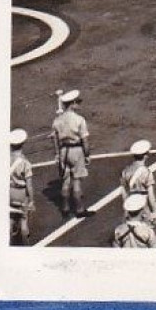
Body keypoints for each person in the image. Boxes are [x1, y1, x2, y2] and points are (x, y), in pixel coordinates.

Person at [51, 88, 89, 218]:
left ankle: (65, 208)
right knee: (76, 181)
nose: (79, 104)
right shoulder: (79, 119)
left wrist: (57, 154)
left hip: (63, 151)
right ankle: (79, 209)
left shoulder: (57, 120)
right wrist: (87, 154)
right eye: (77, 102)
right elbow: (85, 140)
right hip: (76, 150)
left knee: (66, 181)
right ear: (72, 103)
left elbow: (55, 140)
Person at [120, 139, 156, 226]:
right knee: (146, 230)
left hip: (131, 204)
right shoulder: (146, 172)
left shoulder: (125, 171)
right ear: (146, 155)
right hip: (144, 205)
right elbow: (151, 194)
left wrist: (126, 209)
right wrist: (154, 211)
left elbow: (124, 192)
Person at [8, 128, 34, 245]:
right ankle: (25, 245)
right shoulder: (25, 163)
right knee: (24, 220)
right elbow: (29, 185)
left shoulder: (6, 159)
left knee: (11, 219)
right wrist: (32, 200)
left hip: (9, 192)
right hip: (21, 193)